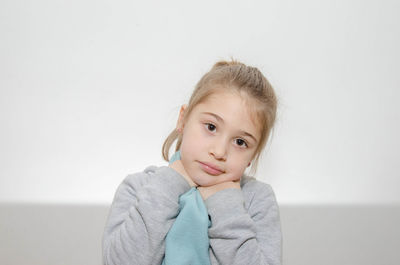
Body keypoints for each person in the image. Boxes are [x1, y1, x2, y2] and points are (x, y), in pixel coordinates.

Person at [102, 59, 282, 265]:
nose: (219, 151)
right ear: (183, 119)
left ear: (253, 155)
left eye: (240, 142)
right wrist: (170, 183)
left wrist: (226, 206)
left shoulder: (256, 200)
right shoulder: (138, 187)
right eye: (211, 127)